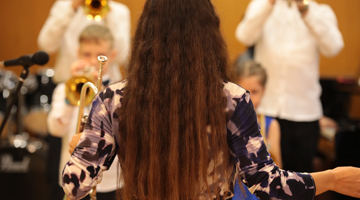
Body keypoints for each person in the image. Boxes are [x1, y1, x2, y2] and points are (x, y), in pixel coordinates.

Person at [63, 0, 360, 200]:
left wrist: (83, 149)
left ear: (145, 35)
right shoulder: (232, 99)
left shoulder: (112, 99)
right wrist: (332, 179)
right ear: (209, 36)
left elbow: (74, 185)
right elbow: (265, 183)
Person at [235, 0, 344, 172]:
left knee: (301, 178)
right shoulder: (261, 5)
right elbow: (244, 35)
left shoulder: (321, 12)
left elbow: (334, 47)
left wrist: (304, 7)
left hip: (305, 114)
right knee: (262, 174)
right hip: (266, 110)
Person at [47, 24, 122, 200]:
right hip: (74, 177)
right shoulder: (63, 89)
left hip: (111, 181)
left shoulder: (120, 92)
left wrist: (103, 90)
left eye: (99, 56)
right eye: (86, 54)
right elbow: (54, 129)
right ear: (77, 53)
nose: (92, 61)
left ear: (112, 56)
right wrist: (70, 97)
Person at [38, 0, 130, 84]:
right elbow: (46, 45)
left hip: (107, 86)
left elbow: (121, 56)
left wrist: (110, 14)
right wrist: (71, 9)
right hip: (68, 83)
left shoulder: (119, 11)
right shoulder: (63, 6)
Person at [232, 60, 282, 200]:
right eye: (243, 91)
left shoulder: (271, 125)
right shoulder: (226, 124)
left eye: (254, 92)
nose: (248, 98)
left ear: (263, 91)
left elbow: (278, 171)